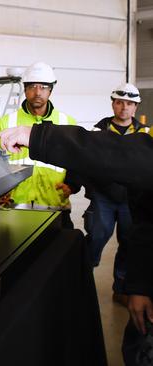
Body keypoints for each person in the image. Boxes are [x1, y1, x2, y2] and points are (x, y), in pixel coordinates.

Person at [0, 123, 153, 366]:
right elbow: (147, 218)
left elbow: (129, 156)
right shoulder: (105, 127)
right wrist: (140, 285)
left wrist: (40, 137)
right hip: (30, 207)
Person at [84, 83, 149, 307]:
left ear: (136, 107)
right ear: (113, 104)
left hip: (131, 200)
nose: (124, 108)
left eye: (129, 103)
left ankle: (120, 288)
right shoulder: (97, 131)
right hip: (102, 196)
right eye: (120, 102)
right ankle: (83, 280)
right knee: (96, 237)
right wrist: (76, 185)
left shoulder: (145, 135)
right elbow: (82, 160)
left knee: (129, 243)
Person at [0, 61, 78, 228]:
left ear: (50, 90)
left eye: (43, 87)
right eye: (32, 86)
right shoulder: (7, 122)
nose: (38, 92)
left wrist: (72, 185)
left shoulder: (66, 122)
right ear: (25, 89)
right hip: (15, 205)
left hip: (54, 203)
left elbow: (76, 161)